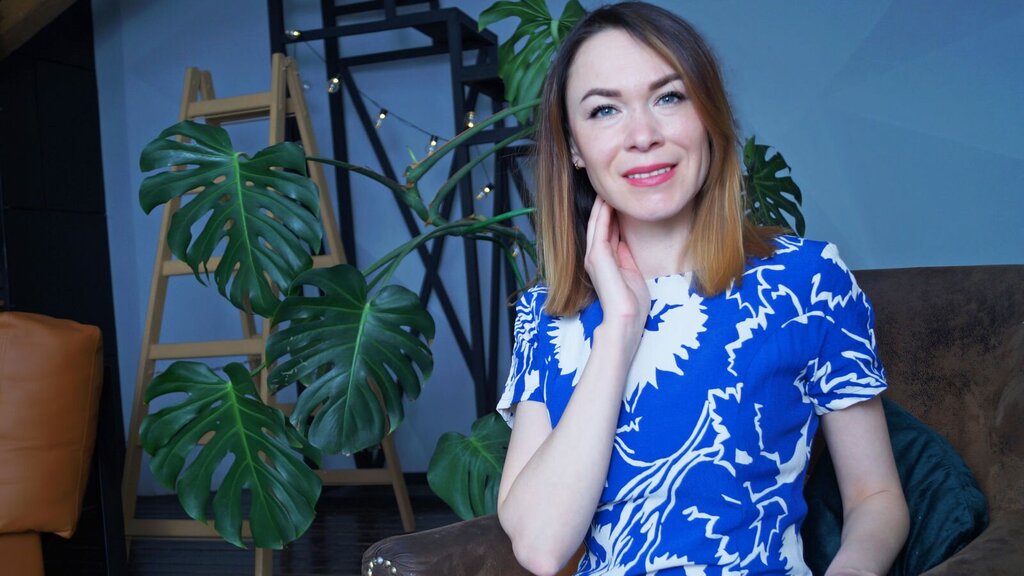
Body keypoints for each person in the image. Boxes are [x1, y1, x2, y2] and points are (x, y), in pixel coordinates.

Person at [495, 3, 909, 575]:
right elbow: (541, 548)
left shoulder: (807, 281)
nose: (643, 136)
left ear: (708, 116)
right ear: (573, 148)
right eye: (605, 109)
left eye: (669, 97)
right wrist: (620, 326)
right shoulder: (546, 316)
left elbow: (876, 497)